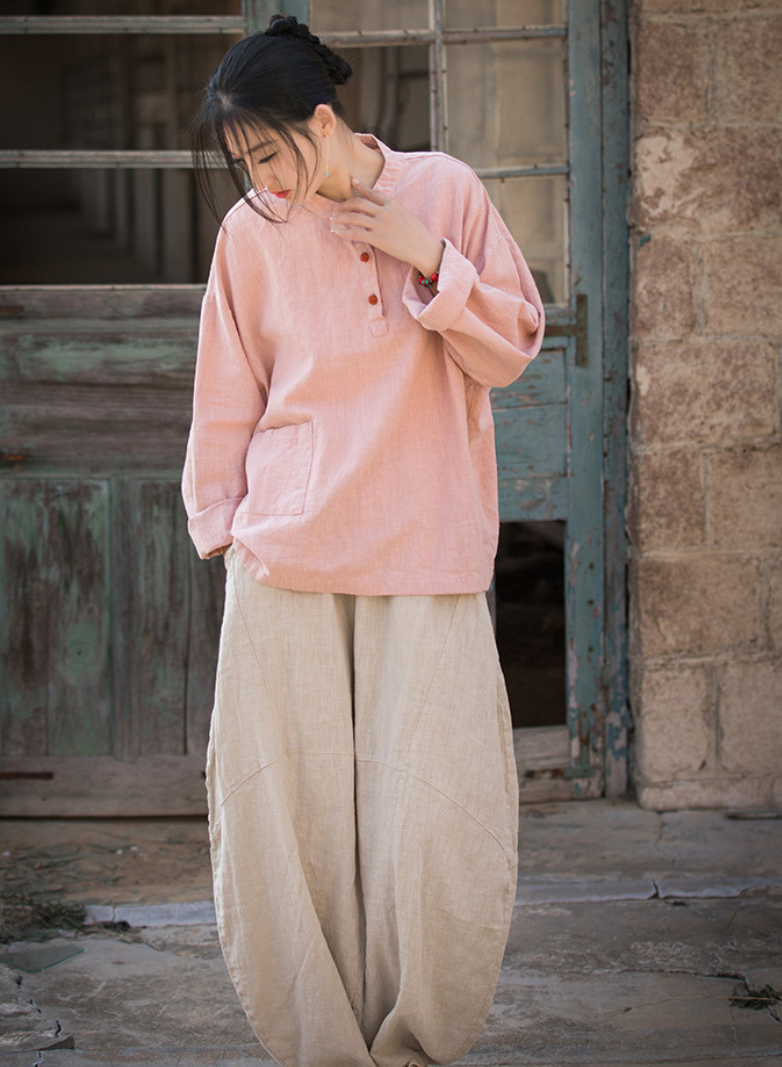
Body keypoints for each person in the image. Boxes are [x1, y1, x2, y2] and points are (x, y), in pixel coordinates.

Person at [182, 15, 545, 1067]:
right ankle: (317, 1044)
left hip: (422, 543)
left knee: (430, 814)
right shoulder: (250, 233)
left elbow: (512, 345)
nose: (261, 180)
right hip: (286, 554)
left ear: (325, 119)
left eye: (268, 152)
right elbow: (227, 394)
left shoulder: (446, 191)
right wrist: (224, 529)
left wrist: (425, 255)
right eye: (243, 163)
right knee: (284, 818)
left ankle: (414, 1041)